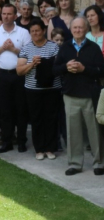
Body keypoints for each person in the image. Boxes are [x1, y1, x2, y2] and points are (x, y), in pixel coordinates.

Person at [53, 16, 104, 176]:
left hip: (90, 95)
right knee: (73, 131)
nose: (77, 31)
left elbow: (101, 70)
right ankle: (75, 163)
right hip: (70, 94)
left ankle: (99, 163)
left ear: (86, 29)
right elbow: (55, 70)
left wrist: (84, 69)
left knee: (94, 131)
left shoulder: (94, 47)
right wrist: (66, 67)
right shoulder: (65, 47)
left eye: (81, 28)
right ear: (71, 30)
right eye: (75, 28)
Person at [0, 4, 31, 154]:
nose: (5, 16)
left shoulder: (23, 33)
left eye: (9, 14)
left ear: (15, 16)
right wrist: (2, 49)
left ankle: (22, 141)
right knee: (5, 109)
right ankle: (7, 141)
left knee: (21, 108)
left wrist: (13, 49)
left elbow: (28, 54)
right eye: (4, 14)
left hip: (19, 74)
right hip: (2, 74)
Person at [16, 19, 61, 161]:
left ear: (43, 31)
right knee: (36, 119)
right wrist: (32, 64)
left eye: (38, 30)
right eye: (33, 31)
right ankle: (39, 149)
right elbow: (19, 71)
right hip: (33, 89)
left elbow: (59, 66)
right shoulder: (26, 48)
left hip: (52, 89)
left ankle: (50, 148)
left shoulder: (54, 46)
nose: (35, 33)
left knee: (51, 119)